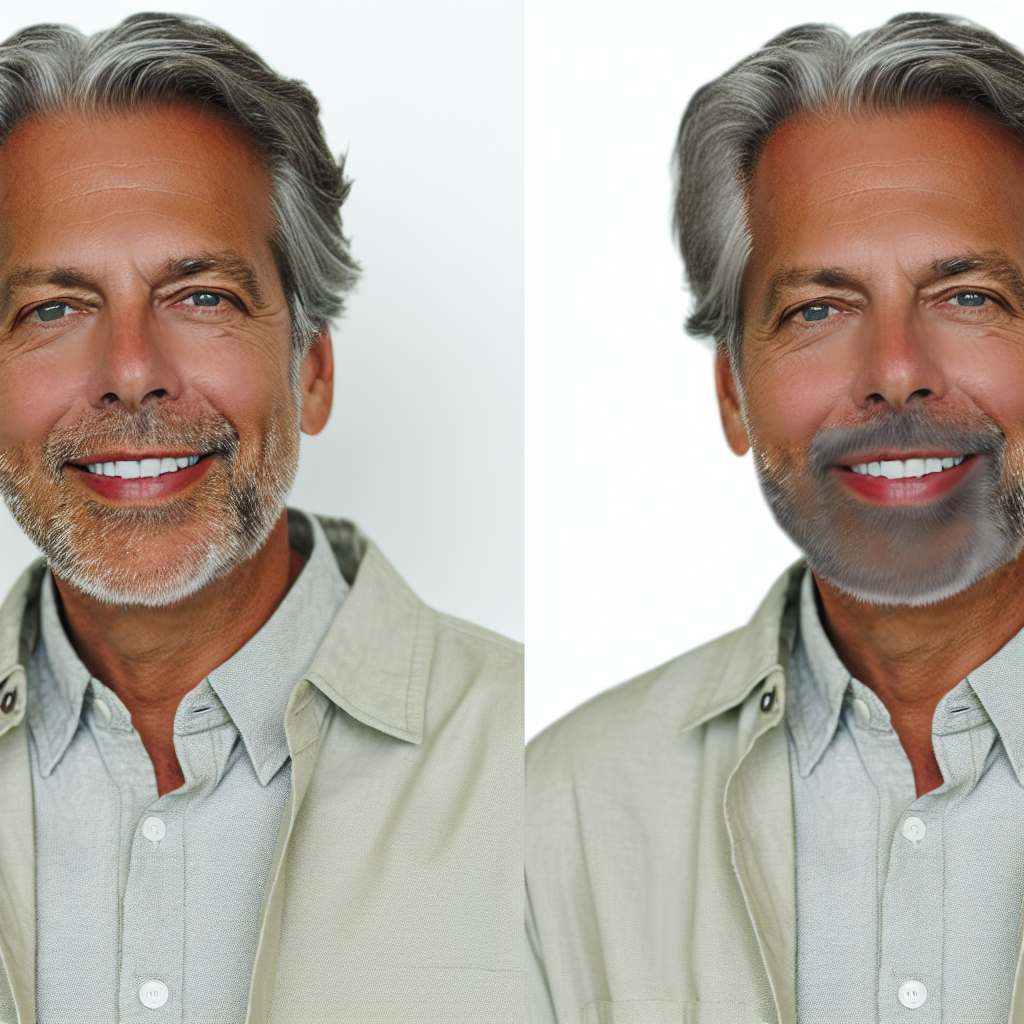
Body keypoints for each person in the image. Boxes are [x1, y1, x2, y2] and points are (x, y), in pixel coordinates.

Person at [0, 13, 523, 1024]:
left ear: (314, 368)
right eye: (53, 309)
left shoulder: (554, 774)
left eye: (199, 296)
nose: (132, 375)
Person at [526, 12, 1024, 1024]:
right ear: (729, 393)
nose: (895, 373)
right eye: (816, 310)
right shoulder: (557, 814)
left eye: (966, 297)